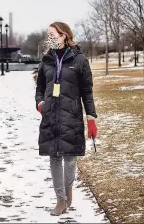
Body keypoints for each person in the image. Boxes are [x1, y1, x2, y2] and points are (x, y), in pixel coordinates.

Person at [35, 22, 98, 216]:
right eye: (48, 35)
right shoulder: (46, 60)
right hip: (51, 116)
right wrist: (40, 103)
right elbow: (39, 88)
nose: (50, 38)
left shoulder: (79, 60)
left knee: (70, 158)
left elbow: (87, 92)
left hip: (71, 116)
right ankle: (60, 199)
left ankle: (68, 188)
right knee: (54, 157)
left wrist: (91, 117)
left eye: (53, 34)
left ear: (64, 36)